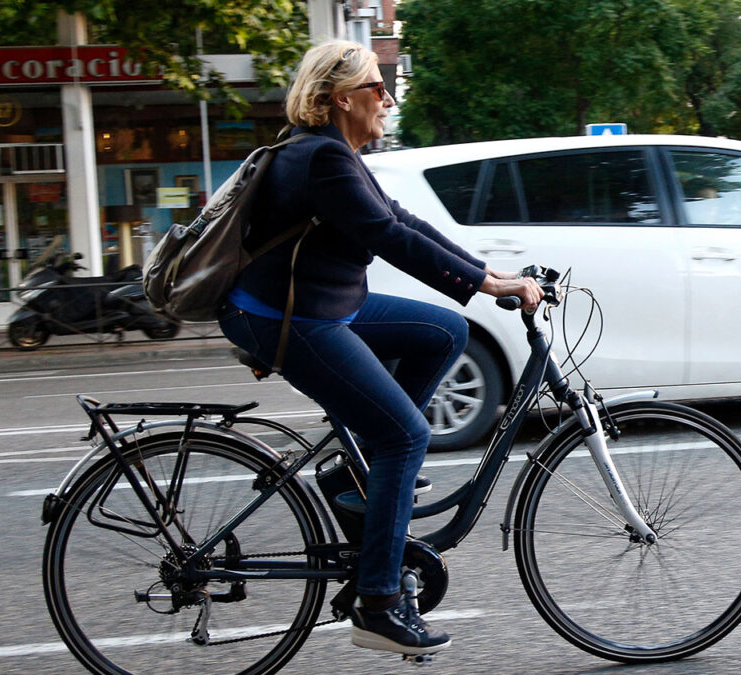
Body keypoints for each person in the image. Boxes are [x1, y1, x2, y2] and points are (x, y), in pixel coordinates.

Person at [217, 40, 543, 656]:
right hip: (285, 317)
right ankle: (378, 603)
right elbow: (388, 237)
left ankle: (354, 469)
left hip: (322, 301)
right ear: (341, 98)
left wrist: (484, 274)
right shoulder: (321, 160)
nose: (387, 97)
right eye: (376, 86)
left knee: (446, 330)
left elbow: (403, 220)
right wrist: (489, 284)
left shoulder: (331, 153)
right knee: (405, 437)